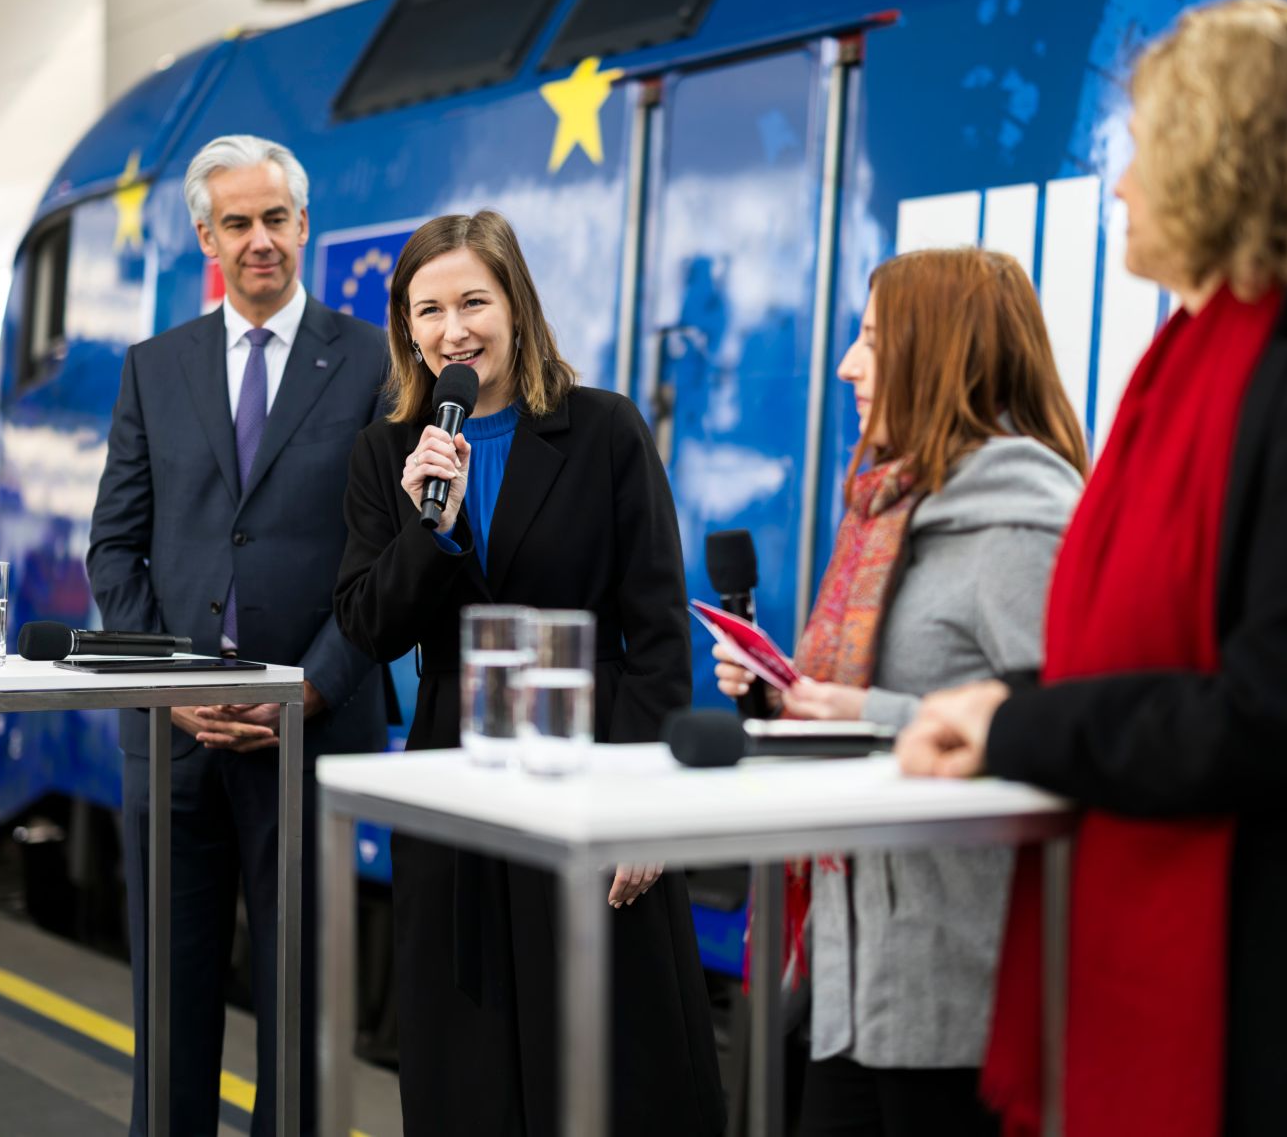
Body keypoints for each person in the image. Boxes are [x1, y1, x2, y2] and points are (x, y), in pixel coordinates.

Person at [895, 0, 1287, 1137]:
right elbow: (1144, 664)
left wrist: (1020, 731)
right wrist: (999, 703)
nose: (1118, 184)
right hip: (1215, 994)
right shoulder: (1181, 373)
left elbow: (1285, 721)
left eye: (1145, 149)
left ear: (1228, 159)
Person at [332, 209, 726, 1136]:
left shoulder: (604, 431)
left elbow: (659, 637)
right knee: (469, 1081)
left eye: (474, 300)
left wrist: (645, 806)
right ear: (405, 327)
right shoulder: (388, 454)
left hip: (592, 788)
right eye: (427, 310)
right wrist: (429, 527)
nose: (452, 330)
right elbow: (369, 626)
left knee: (605, 1071)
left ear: (518, 305)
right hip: (455, 797)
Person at [714, 248, 1086, 1136]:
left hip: (957, 1000)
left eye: (874, 338)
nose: (847, 361)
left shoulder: (1022, 523)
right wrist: (784, 702)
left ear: (942, 351)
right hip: (849, 981)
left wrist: (869, 712)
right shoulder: (886, 508)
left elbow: (1069, 731)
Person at [88, 134, 395, 1137]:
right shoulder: (154, 368)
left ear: (303, 225)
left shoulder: (371, 362)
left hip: (309, 729)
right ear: (203, 237)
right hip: (172, 734)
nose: (258, 240)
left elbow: (390, 557)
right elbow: (114, 552)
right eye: (236, 224)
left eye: (274, 219)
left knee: (301, 1018)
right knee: (167, 1014)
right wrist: (164, 687)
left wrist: (309, 686)